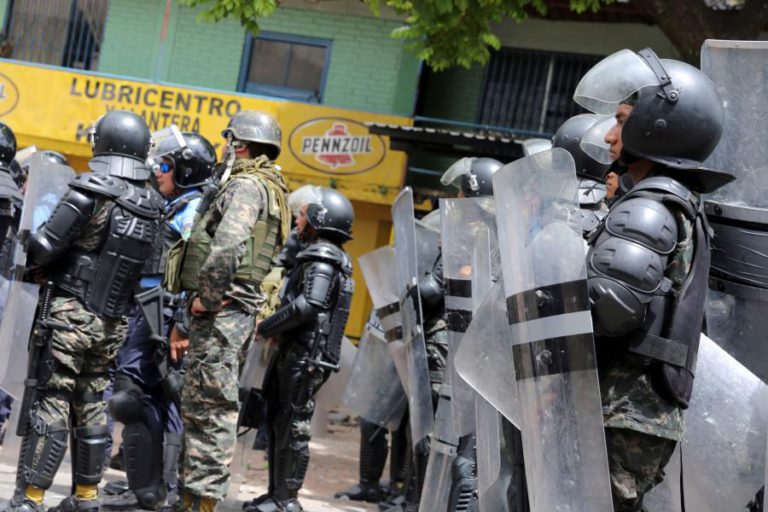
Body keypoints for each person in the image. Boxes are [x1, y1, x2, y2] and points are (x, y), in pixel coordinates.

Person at [573, 48, 733, 510]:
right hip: (633, 410)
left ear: (659, 125)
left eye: (621, 120)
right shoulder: (675, 202)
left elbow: (607, 308)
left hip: (623, 406)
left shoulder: (649, 207)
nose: (608, 135)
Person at [2, 110, 163, 512]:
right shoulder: (153, 205)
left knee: (52, 402)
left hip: (70, 313)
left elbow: (44, 248)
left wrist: (28, 237)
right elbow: (152, 273)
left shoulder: (89, 191)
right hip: (111, 322)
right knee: (91, 403)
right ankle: (86, 497)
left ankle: (32, 499)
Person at [166, 110, 291, 512]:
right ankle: (191, 499)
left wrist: (209, 295)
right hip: (233, 311)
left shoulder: (247, 186)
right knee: (203, 406)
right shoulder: (267, 186)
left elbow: (228, 245)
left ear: (240, 144)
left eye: (229, 141)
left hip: (224, 311)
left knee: (212, 411)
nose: (225, 148)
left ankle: (199, 504)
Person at [105, 130, 217, 511]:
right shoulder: (177, 205)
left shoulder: (195, 211)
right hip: (151, 310)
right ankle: (148, 492)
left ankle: (163, 492)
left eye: (165, 166)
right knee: (138, 397)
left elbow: (196, 275)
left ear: (185, 171)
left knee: (166, 398)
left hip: (171, 316)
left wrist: (177, 326)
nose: (158, 173)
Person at [245, 187, 354, 512]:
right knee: (280, 422)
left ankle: (286, 500)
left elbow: (310, 305)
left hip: (303, 356)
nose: (297, 220)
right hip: (296, 353)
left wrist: (266, 326)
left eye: (303, 214)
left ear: (320, 218)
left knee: (292, 427)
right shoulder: (320, 253)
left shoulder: (323, 256)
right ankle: (275, 494)